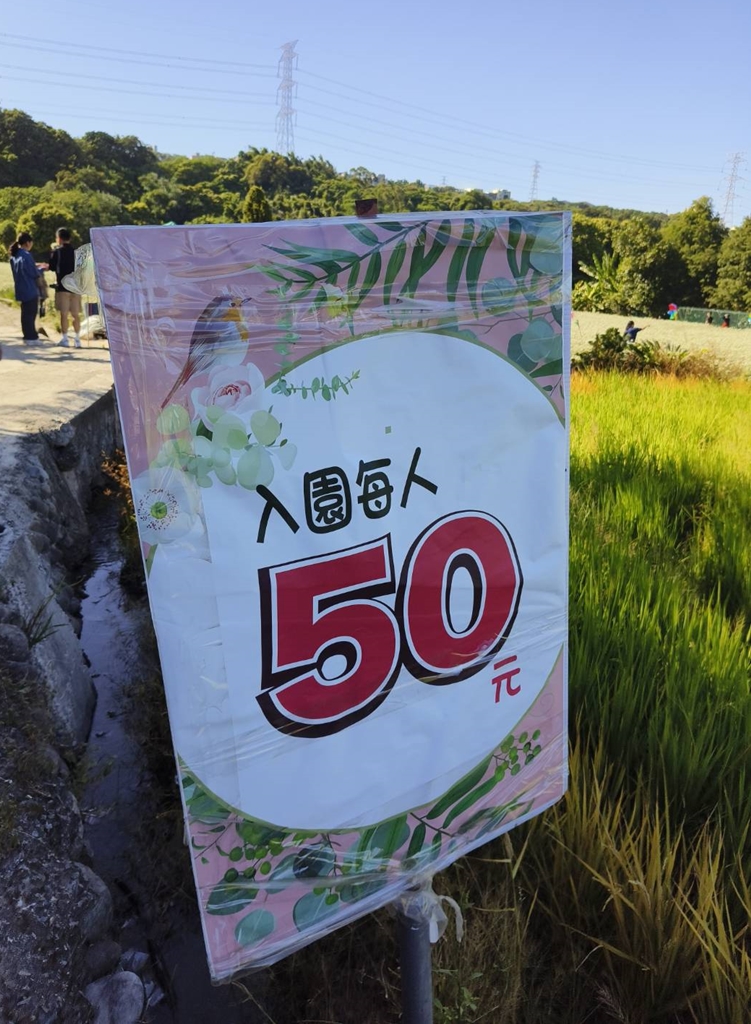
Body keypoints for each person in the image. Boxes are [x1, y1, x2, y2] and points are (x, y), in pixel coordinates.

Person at [9, 232, 48, 346]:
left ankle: (27, 335)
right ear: (28, 243)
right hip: (30, 288)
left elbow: (25, 268)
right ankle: (32, 337)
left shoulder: (15, 256)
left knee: (25, 314)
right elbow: (33, 273)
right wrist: (41, 269)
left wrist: (37, 266)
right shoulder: (27, 255)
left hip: (20, 288)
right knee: (31, 314)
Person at [48, 227, 82, 348]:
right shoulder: (77, 252)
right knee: (76, 314)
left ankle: (65, 339)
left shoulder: (57, 252)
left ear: (59, 239)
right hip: (76, 287)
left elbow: (52, 267)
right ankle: (78, 339)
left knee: (64, 314)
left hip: (63, 287)